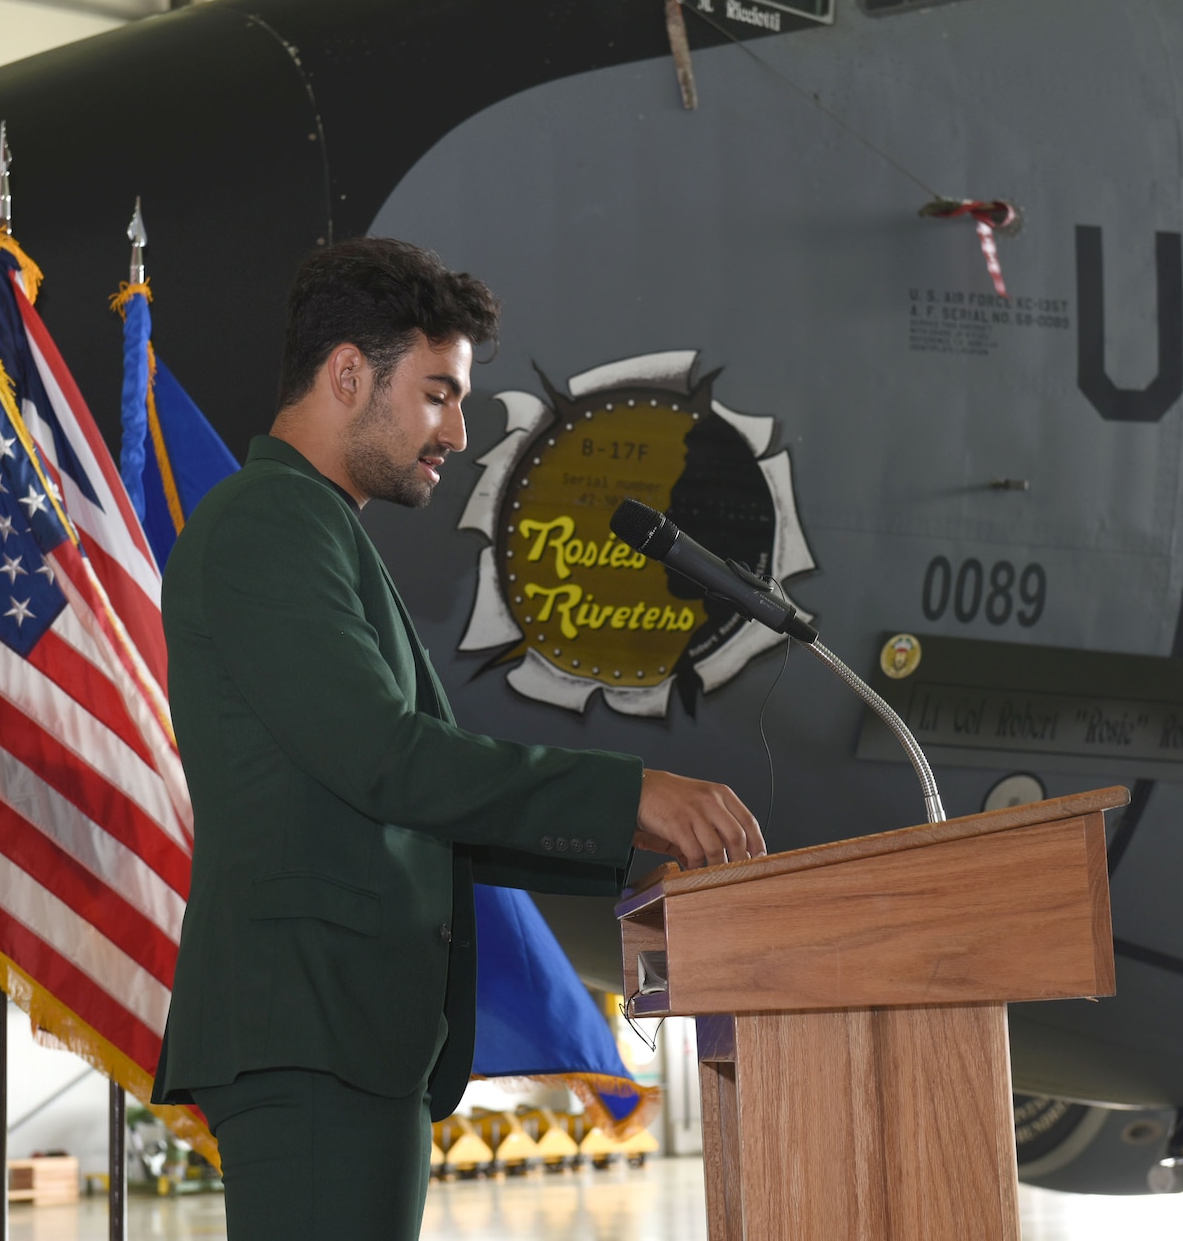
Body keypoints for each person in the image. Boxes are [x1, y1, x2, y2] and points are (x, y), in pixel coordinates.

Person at [149, 237, 764, 1238]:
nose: (458, 431)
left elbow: (408, 808)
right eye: (438, 393)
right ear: (348, 373)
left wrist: (638, 847)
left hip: (339, 1036)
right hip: (312, 1031)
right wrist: (630, 793)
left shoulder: (316, 526)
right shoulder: (269, 523)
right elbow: (389, 761)